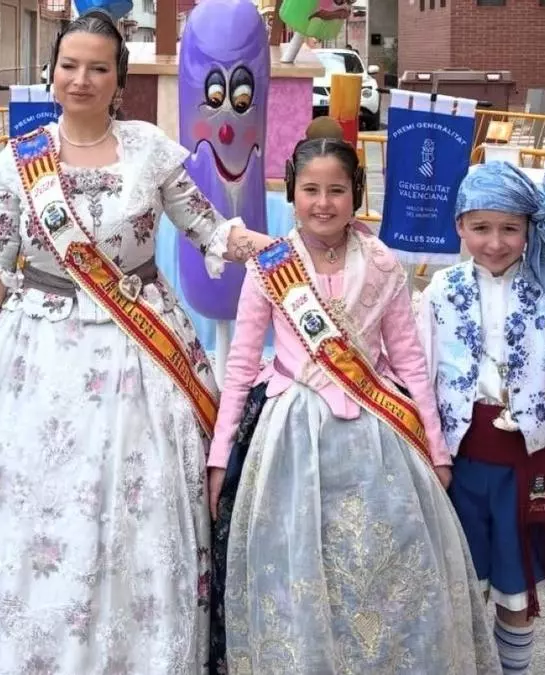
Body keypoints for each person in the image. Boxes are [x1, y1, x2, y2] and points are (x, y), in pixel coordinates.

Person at [0, 11, 274, 674]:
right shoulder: (18, 162)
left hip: (137, 355)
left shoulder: (150, 151)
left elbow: (210, 230)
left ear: (119, 79)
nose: (81, 79)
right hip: (33, 355)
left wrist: (286, 252)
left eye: (97, 68)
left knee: (131, 516)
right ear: (52, 72)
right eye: (69, 66)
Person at [207, 131, 501, 674]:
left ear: (357, 193)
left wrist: (436, 450)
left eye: (337, 190)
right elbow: (242, 364)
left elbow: (409, 360)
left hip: (376, 432)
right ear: (292, 193)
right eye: (311, 190)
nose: (323, 203)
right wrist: (221, 456)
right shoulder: (270, 266)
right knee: (298, 565)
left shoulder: (382, 262)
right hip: (292, 434)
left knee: (383, 567)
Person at [416, 160, 545, 675]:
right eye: (481, 227)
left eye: (510, 229)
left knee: (516, 595)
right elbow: (420, 378)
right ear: (459, 226)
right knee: (459, 588)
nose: (495, 243)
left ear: (529, 229)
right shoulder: (440, 291)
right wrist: (427, 458)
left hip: (526, 467)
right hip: (457, 467)